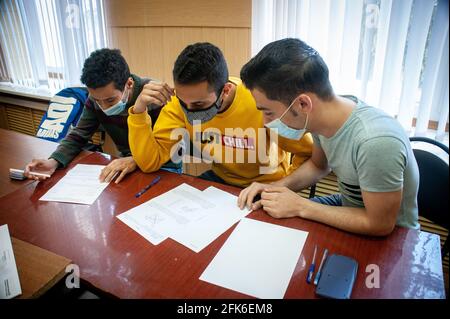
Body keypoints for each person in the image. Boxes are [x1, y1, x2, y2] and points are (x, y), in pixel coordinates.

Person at [238, 38, 419, 236]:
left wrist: (301, 206)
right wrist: (272, 188)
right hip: (349, 205)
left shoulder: (375, 141)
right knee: (267, 216)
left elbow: (380, 224)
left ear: (303, 104)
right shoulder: (323, 116)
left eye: (269, 112)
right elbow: (319, 166)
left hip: (394, 238)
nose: (265, 122)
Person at [128, 42, 313, 187]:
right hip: (220, 180)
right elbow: (150, 162)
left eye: (200, 104)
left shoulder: (261, 102)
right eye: (184, 103)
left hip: (265, 185)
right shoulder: (181, 100)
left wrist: (282, 187)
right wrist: (139, 111)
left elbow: (310, 155)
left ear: (225, 90)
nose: (190, 111)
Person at [24, 48, 180, 183]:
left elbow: (172, 149)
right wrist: (53, 161)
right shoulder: (96, 99)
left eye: (110, 100)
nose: (104, 106)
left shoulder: (155, 97)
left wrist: (135, 160)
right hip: (125, 163)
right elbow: (79, 135)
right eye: (98, 100)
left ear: (129, 84)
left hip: (165, 166)